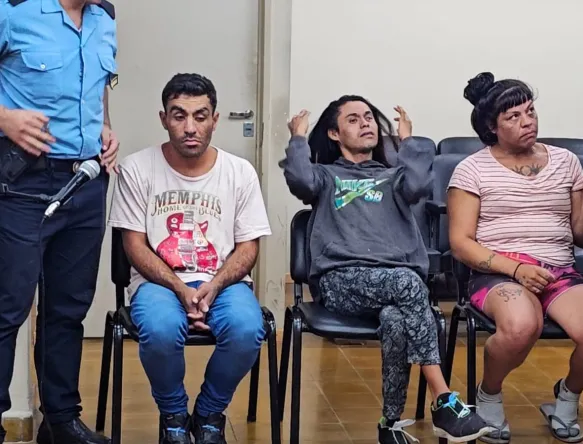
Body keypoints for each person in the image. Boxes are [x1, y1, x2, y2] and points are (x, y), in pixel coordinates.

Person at [282, 95, 494, 444]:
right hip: (341, 280)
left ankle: (389, 423)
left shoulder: (395, 178)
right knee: (409, 284)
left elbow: (418, 185)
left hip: (396, 284)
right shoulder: (326, 176)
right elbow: (300, 180)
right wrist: (298, 139)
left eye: (368, 117)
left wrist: (408, 141)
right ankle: (443, 400)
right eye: (353, 119)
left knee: (396, 320)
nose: (365, 123)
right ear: (334, 133)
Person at [448, 72, 583, 444]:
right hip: (498, 272)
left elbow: (582, 237)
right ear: (492, 127)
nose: (528, 121)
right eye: (514, 117)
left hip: (558, 271)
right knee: (522, 326)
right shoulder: (472, 169)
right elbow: (460, 243)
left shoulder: (565, 161)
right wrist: (516, 269)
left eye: (530, 111)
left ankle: (566, 398)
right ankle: (488, 394)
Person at [108, 73, 272, 444]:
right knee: (161, 330)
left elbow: (248, 247)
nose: (190, 127)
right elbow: (134, 245)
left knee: (247, 330)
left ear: (215, 120)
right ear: (163, 118)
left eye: (200, 116)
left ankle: (209, 414)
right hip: (158, 282)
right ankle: (174, 418)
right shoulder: (136, 168)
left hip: (222, 282)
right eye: (179, 115)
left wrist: (214, 285)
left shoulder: (239, 172)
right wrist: (181, 289)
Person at [0, 1, 119, 443]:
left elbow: (96, 86)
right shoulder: (13, 10)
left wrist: (104, 127)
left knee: (67, 310)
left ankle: (61, 422)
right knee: (7, 309)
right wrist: (4, 118)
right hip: (23, 184)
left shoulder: (105, 17)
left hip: (85, 182)